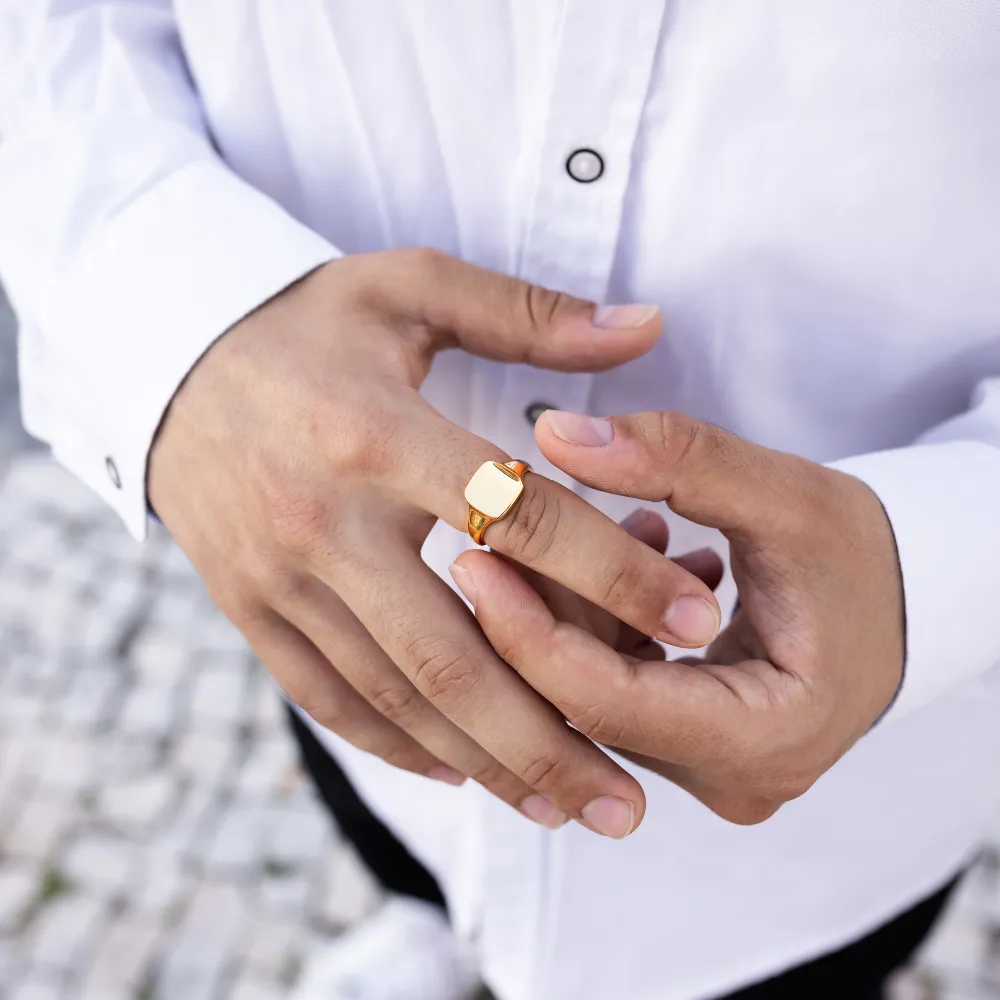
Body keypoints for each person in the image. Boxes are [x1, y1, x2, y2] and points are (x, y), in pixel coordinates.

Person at [1, 3, 998, 998]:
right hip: (340, 604)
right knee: (393, 839)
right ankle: (445, 935)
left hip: (848, 815)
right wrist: (180, 320)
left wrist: (933, 564)